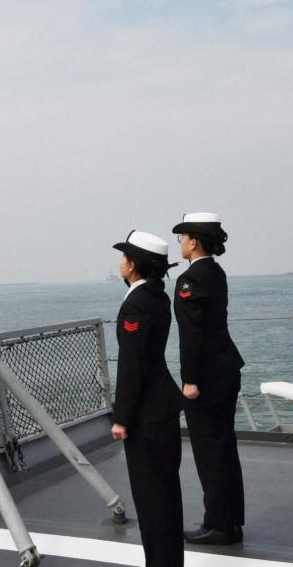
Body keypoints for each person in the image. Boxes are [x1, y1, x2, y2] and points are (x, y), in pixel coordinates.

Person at [111, 230, 186, 567]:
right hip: (163, 408)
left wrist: (122, 418)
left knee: (151, 498)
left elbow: (132, 366)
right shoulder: (158, 297)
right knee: (167, 494)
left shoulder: (136, 304)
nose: (120, 261)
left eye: (125, 256)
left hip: (146, 416)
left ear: (134, 265)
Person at [171, 212, 244, 546]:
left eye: (182, 238)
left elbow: (192, 335)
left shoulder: (190, 280)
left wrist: (190, 380)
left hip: (208, 377)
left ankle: (218, 524)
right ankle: (231, 521)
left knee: (209, 451)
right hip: (226, 370)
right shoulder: (216, 272)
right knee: (225, 448)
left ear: (193, 241)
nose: (180, 244)